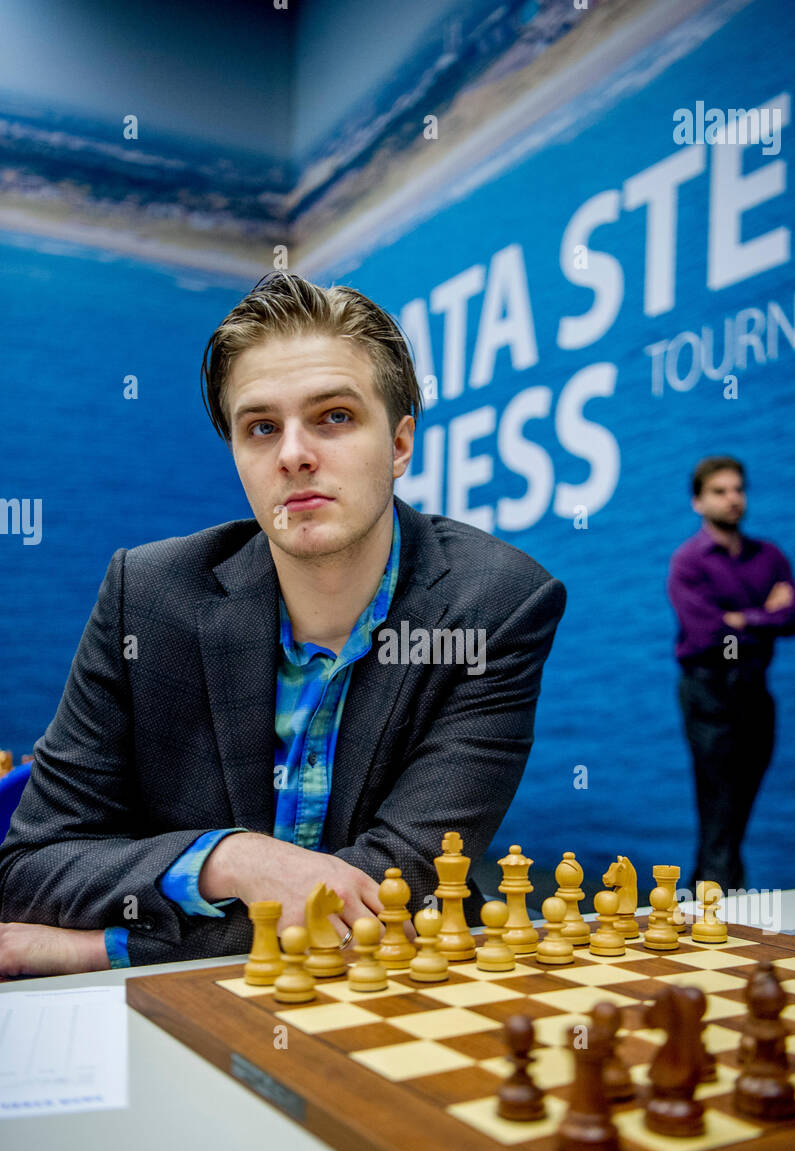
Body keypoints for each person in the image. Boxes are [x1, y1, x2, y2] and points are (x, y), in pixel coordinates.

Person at [0, 273, 566, 976]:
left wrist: (103, 947)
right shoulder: (142, 597)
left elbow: (389, 893)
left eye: (333, 416)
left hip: (399, 981)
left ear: (398, 445)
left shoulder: (497, 605)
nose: (293, 454)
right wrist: (230, 859)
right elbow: (29, 864)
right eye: (261, 427)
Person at [667, 455, 795, 893]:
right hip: (709, 693)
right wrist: (765, 613)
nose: (732, 499)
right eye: (719, 491)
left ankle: (712, 894)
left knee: (737, 808)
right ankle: (718, 902)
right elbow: (708, 634)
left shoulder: (769, 556)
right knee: (718, 806)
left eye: (738, 489)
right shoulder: (688, 561)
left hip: (755, 691)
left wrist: (743, 620)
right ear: (697, 502)